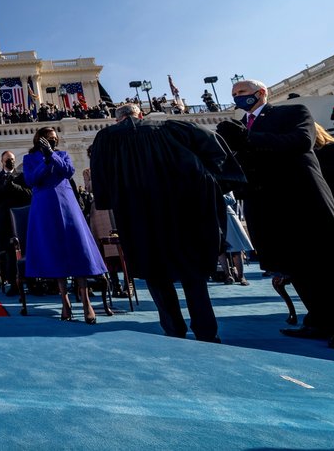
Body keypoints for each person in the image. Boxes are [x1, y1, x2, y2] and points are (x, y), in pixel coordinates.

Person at [217, 79, 334, 350]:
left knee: (325, 263)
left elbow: (301, 142)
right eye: (234, 94)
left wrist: (247, 138)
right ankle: (319, 320)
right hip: (268, 204)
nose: (237, 97)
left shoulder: (292, 112)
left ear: (261, 92)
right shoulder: (241, 127)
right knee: (295, 264)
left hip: (302, 199)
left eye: (242, 92)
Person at [91, 104, 240, 340]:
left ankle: (173, 330)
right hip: (183, 210)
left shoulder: (106, 138)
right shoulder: (173, 127)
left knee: (155, 273)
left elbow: (101, 178)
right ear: (141, 114)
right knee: (194, 274)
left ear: (116, 120)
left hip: (139, 214)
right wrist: (219, 183)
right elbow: (214, 146)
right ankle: (206, 332)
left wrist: (109, 200)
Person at [23, 127, 107, 323]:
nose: (52, 141)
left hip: (67, 203)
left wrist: (52, 155)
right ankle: (65, 301)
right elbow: (31, 180)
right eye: (48, 139)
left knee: (77, 248)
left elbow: (68, 171)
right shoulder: (29, 159)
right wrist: (45, 160)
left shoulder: (62, 154)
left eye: (54, 139)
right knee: (55, 252)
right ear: (39, 140)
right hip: (44, 206)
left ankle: (86, 302)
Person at [0, 150, 33, 295]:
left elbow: (29, 195)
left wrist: (15, 187)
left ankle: (30, 281)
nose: (10, 161)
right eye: (7, 159)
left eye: (12, 159)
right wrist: (3, 188)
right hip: (5, 219)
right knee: (9, 252)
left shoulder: (22, 176)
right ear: (2, 161)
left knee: (25, 249)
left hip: (21, 218)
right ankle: (13, 283)